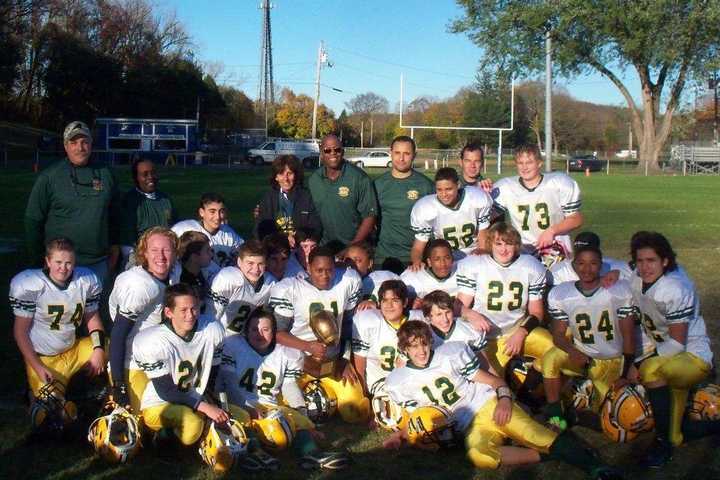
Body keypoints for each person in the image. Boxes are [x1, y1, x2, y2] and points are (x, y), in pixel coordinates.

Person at [382, 321, 621, 479]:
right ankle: (557, 452)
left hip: (488, 406)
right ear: (404, 350)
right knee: (480, 455)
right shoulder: (398, 380)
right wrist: (398, 435)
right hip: (471, 426)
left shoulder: (450, 355)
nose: (421, 351)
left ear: (430, 341)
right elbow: (415, 417)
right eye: (413, 347)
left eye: (423, 344)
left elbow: (495, 382)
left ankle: (597, 468)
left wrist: (505, 401)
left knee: (536, 435)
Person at [217, 307, 349, 470]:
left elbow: (289, 387)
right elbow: (229, 384)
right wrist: (246, 408)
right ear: (246, 331)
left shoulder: (286, 352)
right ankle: (256, 454)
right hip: (236, 403)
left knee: (298, 420)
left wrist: (305, 419)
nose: (259, 334)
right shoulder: (233, 345)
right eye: (254, 329)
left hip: (268, 405)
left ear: (274, 331)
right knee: (242, 417)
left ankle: (311, 454)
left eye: (265, 329)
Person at [629, 231, 714, 467]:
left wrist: (638, 363)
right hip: (670, 357)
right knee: (676, 435)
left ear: (665, 260)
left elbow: (677, 343)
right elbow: (624, 267)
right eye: (640, 260)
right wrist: (614, 273)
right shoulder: (637, 275)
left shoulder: (675, 287)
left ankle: (660, 444)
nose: (644, 267)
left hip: (691, 356)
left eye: (651, 261)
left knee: (650, 369)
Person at [541, 244, 636, 432]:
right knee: (550, 358)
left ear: (601, 265)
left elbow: (628, 337)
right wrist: (571, 350)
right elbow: (558, 335)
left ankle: (576, 410)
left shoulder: (619, 291)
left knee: (619, 424)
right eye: (581, 263)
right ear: (574, 266)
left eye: (593, 263)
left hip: (612, 360)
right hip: (582, 355)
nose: (587, 268)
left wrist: (625, 374)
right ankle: (556, 417)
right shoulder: (561, 294)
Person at [10, 238, 106, 423]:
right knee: (50, 415)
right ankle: (34, 394)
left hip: (73, 349)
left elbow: (92, 319)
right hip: (44, 358)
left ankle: (110, 395)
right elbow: (20, 333)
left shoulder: (85, 281)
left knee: (111, 348)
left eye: (68, 262)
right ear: (47, 261)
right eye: (58, 262)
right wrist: (37, 367)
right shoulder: (31, 284)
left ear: (75, 262)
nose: (63, 267)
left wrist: (99, 350)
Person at [269, 246, 368, 423]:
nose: (325, 275)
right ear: (308, 268)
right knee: (289, 414)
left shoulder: (348, 280)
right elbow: (277, 333)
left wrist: (344, 359)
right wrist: (308, 346)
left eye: (329, 270)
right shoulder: (290, 288)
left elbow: (348, 326)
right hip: (299, 364)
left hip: (332, 362)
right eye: (319, 270)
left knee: (355, 411)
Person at [132, 283, 226, 449]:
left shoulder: (212, 329)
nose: (190, 315)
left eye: (194, 308)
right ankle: (157, 440)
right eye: (183, 310)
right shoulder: (152, 341)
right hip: (160, 403)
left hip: (194, 398)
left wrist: (213, 401)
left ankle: (204, 437)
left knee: (240, 417)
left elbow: (213, 373)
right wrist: (205, 408)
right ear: (169, 312)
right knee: (192, 424)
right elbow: (166, 391)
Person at [24, 121, 117, 283]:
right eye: (73, 142)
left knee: (95, 308)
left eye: (84, 142)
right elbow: (33, 221)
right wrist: (37, 261)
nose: (80, 148)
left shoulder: (106, 174)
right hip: (60, 264)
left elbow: (116, 214)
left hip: (98, 263)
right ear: (65, 146)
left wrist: (115, 248)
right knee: (62, 308)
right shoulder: (49, 177)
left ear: (91, 144)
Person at [456, 222, 551, 376]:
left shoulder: (531, 267)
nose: (503, 249)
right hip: (484, 338)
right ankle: (516, 372)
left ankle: (532, 384)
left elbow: (537, 312)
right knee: (495, 386)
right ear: (490, 244)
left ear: (517, 245)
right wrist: (471, 314)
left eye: (509, 244)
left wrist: (521, 333)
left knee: (555, 351)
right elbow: (458, 306)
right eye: (498, 243)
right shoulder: (474, 265)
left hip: (516, 331)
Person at [108, 227, 180, 412]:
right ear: (144, 253)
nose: (161, 256)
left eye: (166, 250)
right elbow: (118, 334)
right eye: (154, 250)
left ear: (175, 252)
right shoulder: (140, 285)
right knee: (140, 417)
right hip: (133, 360)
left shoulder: (174, 272)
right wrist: (118, 383)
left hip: (164, 355)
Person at [492, 145, 583, 263]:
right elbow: (487, 218)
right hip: (522, 249)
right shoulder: (505, 187)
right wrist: (483, 195)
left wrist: (551, 231)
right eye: (520, 163)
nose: (524, 167)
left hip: (555, 248)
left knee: (558, 280)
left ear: (539, 163)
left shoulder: (558, 183)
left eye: (529, 162)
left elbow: (576, 219)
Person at [351, 280, 424, 398]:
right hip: (381, 383)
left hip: (413, 381)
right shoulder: (368, 321)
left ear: (405, 302)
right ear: (379, 303)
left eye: (395, 300)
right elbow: (360, 361)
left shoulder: (419, 319)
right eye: (385, 300)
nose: (389, 306)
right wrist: (363, 394)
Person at [409, 167, 493, 270]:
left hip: (473, 254)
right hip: (445, 260)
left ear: (458, 185)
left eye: (448, 189)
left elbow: (483, 232)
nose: (444, 194)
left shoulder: (476, 198)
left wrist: (482, 250)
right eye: (439, 190)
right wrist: (416, 261)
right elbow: (418, 246)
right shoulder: (425, 208)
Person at [307, 134, 377, 252]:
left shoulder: (359, 178)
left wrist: (352, 247)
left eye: (337, 150)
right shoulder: (314, 179)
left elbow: (370, 217)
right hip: (325, 247)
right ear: (322, 153)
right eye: (327, 150)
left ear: (343, 152)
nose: (333, 153)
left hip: (354, 248)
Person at [373, 136, 434, 265]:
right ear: (391, 154)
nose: (401, 158)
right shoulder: (377, 185)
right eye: (397, 153)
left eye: (406, 153)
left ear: (414, 155)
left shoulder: (426, 185)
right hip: (384, 257)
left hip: (417, 257)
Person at [114, 158, 176, 270]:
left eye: (153, 173)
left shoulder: (165, 199)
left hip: (165, 256)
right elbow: (126, 244)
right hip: (140, 259)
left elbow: (174, 229)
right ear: (136, 178)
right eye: (145, 174)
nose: (150, 177)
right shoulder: (129, 201)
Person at [206, 240, 275, 336]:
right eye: (250, 263)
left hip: (247, 337)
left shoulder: (271, 283)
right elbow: (210, 317)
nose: (256, 269)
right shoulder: (228, 279)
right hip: (222, 335)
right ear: (239, 261)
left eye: (260, 264)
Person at [255, 154, 322, 243]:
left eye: (289, 173)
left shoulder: (307, 197)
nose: (285, 179)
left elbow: (315, 227)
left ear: (296, 175)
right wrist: (282, 240)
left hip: (301, 246)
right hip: (276, 248)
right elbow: (260, 229)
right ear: (276, 177)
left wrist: (297, 237)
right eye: (281, 174)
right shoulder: (268, 198)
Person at [172, 192, 244, 273]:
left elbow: (244, 254)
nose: (218, 217)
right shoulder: (184, 229)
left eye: (221, 211)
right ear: (201, 212)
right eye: (212, 212)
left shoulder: (228, 233)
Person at [548, 231, 632, 285]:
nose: (586, 269)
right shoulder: (558, 272)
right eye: (581, 260)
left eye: (592, 262)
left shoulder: (617, 268)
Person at [422, 290, 486, 352]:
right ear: (428, 317)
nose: (445, 319)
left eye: (448, 312)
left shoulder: (471, 332)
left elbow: (483, 361)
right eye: (439, 314)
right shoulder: (423, 337)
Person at [401, 239, 459, 308]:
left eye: (447, 258)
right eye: (437, 259)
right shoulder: (411, 278)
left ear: (452, 259)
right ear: (429, 262)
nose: (443, 264)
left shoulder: (463, 271)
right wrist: (411, 304)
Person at [344, 241, 399, 308]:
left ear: (370, 263)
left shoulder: (385, 278)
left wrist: (377, 305)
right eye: (348, 261)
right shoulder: (340, 280)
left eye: (357, 260)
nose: (351, 265)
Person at [177, 231, 213, 311]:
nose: (211, 254)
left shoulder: (199, 272)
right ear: (194, 257)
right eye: (207, 251)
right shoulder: (183, 281)